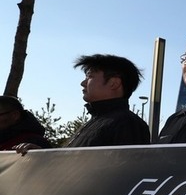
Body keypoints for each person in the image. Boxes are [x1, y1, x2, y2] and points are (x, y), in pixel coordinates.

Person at [15, 54, 151, 153]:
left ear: (113, 83)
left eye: (90, 76)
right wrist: (42, 155)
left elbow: (126, 176)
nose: (83, 83)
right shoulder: (98, 120)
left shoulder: (127, 123)